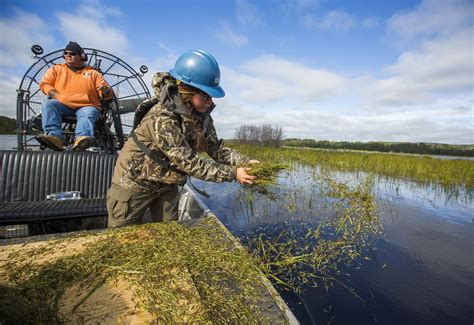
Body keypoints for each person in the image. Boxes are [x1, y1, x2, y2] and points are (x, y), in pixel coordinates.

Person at [107, 49, 259, 228]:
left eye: (211, 96)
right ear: (186, 92)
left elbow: (215, 149)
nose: (210, 101)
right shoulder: (162, 116)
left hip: (167, 183)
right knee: (123, 239)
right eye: (205, 96)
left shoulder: (203, 116)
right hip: (134, 182)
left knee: (169, 234)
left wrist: (246, 162)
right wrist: (234, 173)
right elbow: (189, 162)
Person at [36, 41, 113, 151]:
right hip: (62, 104)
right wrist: (57, 95)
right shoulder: (56, 69)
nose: (68, 55)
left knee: (88, 113)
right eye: (66, 53)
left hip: (87, 105)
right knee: (48, 104)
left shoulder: (93, 73)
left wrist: (105, 91)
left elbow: (106, 92)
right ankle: (54, 137)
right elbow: (45, 84)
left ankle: (82, 139)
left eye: (72, 53)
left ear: (81, 56)